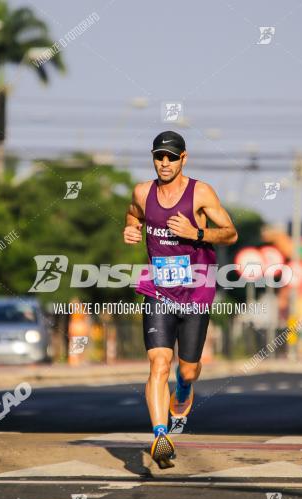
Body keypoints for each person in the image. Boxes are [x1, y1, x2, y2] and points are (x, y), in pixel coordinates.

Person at [123, 131, 238, 468]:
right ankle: (161, 436)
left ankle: (185, 389)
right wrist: (129, 229)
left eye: (171, 157)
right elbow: (133, 216)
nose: (164, 162)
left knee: (186, 370)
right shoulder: (143, 193)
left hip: (196, 290)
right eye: (159, 156)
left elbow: (231, 232)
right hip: (158, 290)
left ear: (183, 158)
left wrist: (197, 233)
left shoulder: (200, 192)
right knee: (159, 362)